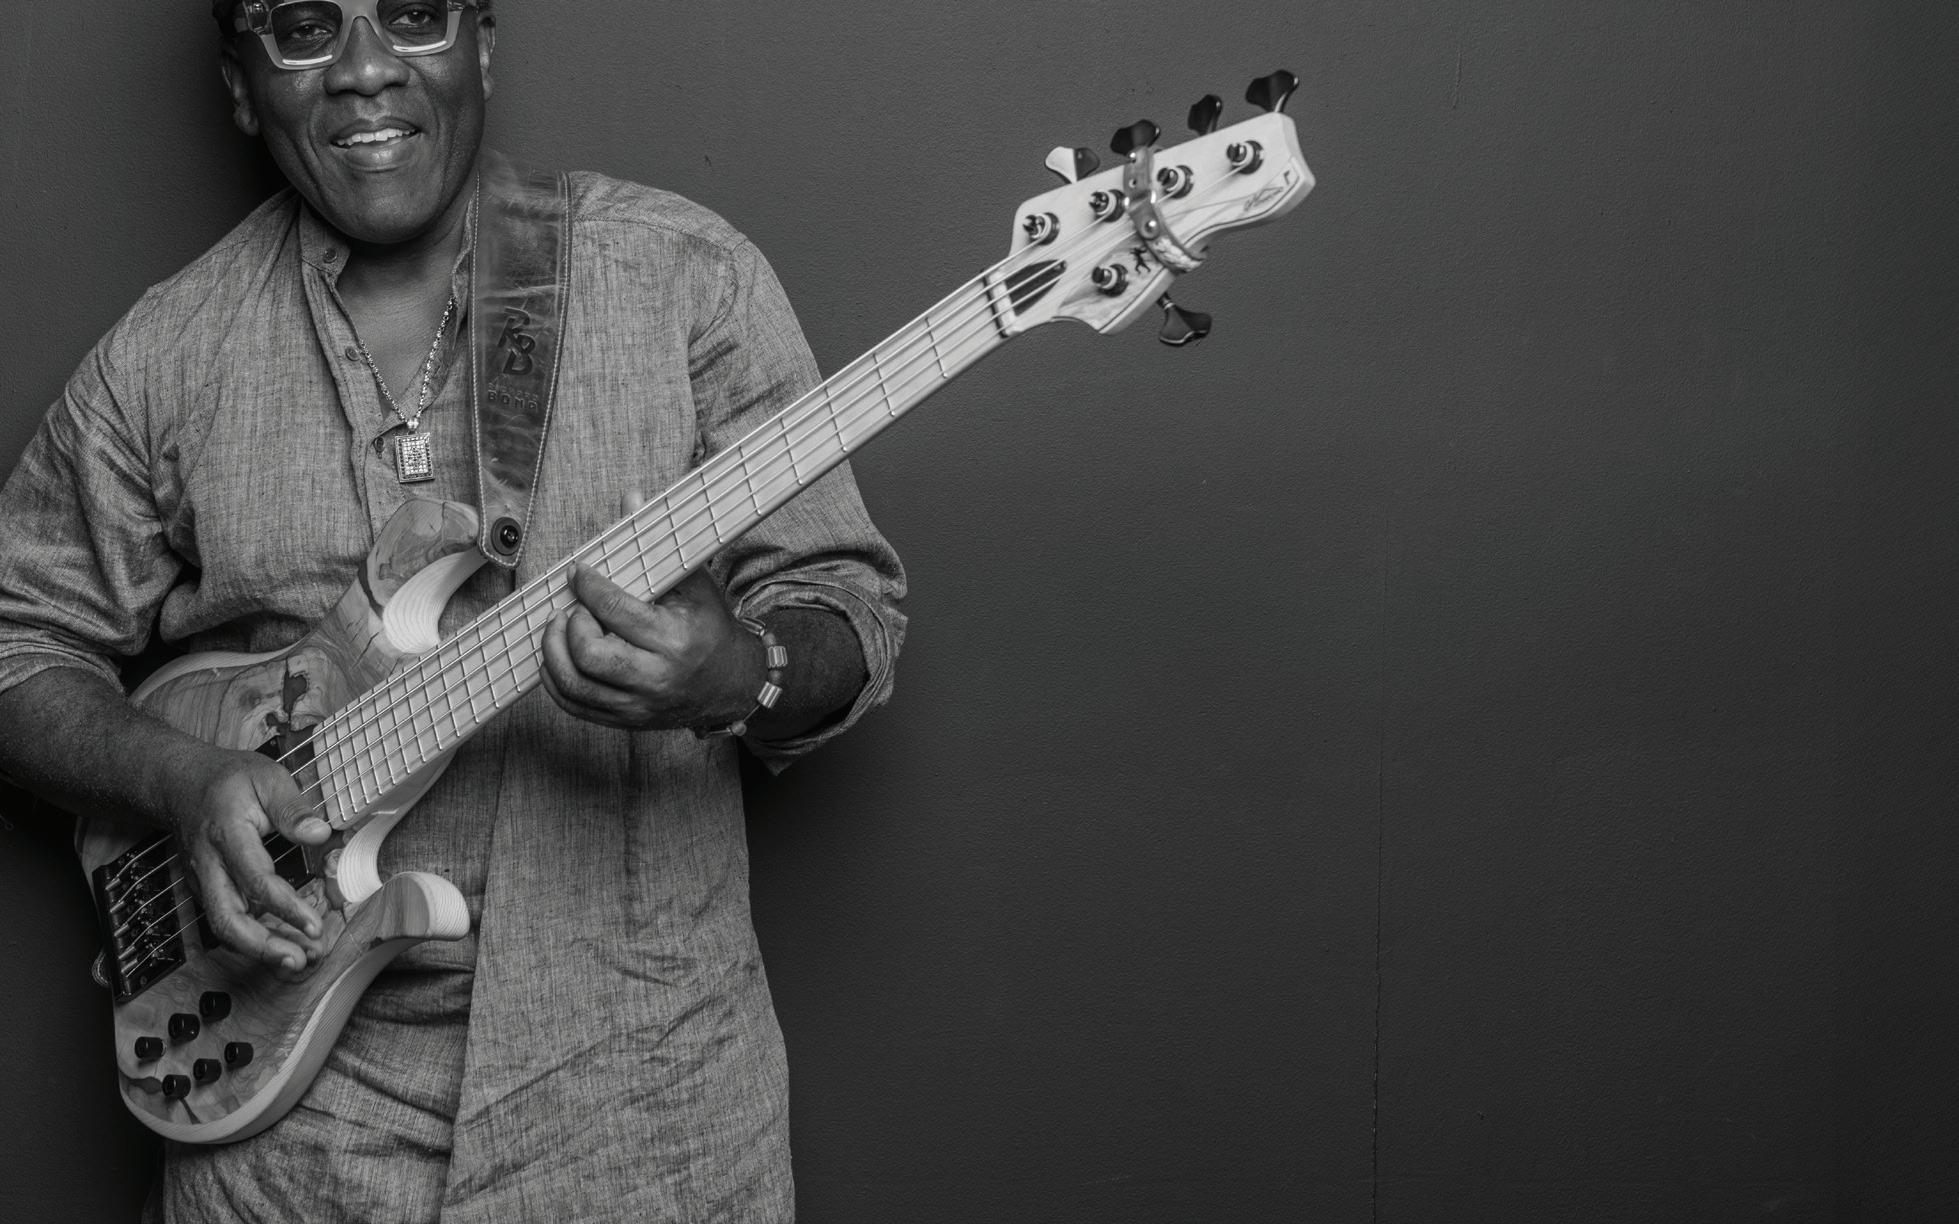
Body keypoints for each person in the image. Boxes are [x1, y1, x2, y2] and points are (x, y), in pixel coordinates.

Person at [0, 2, 904, 1219]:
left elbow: (847, 606)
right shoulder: (163, 358)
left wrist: (743, 671)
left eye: (414, 14)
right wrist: (178, 781)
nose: (367, 68)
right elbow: (16, 640)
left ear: (480, 44)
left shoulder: (683, 278)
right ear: (241, 85)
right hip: (287, 1152)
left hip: (649, 1120)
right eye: (304, 27)